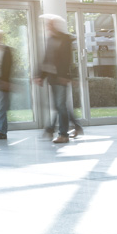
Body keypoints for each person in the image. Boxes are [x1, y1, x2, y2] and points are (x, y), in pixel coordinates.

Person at [36, 14, 76, 144]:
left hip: (61, 78)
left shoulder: (65, 39)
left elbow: (67, 60)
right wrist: (41, 76)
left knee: (60, 106)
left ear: (56, 25)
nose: (48, 26)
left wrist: (65, 76)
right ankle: (68, 128)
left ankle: (63, 134)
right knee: (59, 106)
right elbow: (47, 59)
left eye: (50, 24)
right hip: (53, 79)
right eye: (47, 24)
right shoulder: (50, 39)